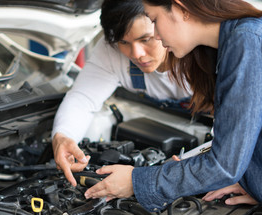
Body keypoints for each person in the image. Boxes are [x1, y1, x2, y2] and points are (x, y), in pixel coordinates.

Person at [84, 0, 262, 210]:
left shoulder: (247, 41)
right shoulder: (234, 43)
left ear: (181, 9)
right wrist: (254, 182)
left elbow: (223, 166)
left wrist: (136, 181)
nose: (157, 35)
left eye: (154, 20)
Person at [52, 0, 192, 187]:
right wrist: (63, 136)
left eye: (145, 39)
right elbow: (83, 98)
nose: (137, 54)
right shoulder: (110, 50)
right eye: (124, 42)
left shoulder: (199, 51)